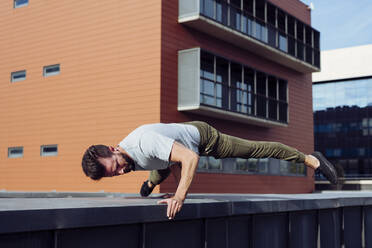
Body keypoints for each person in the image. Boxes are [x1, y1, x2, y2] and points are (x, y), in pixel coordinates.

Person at [81, 121, 338, 219]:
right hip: (162, 161)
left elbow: (190, 159)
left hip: (202, 138)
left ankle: (311, 160)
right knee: (158, 173)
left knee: (254, 149)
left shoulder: (144, 142)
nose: (116, 173)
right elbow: (168, 163)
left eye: (114, 167)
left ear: (115, 149)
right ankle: (150, 184)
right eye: (110, 175)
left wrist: (179, 196)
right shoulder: (126, 159)